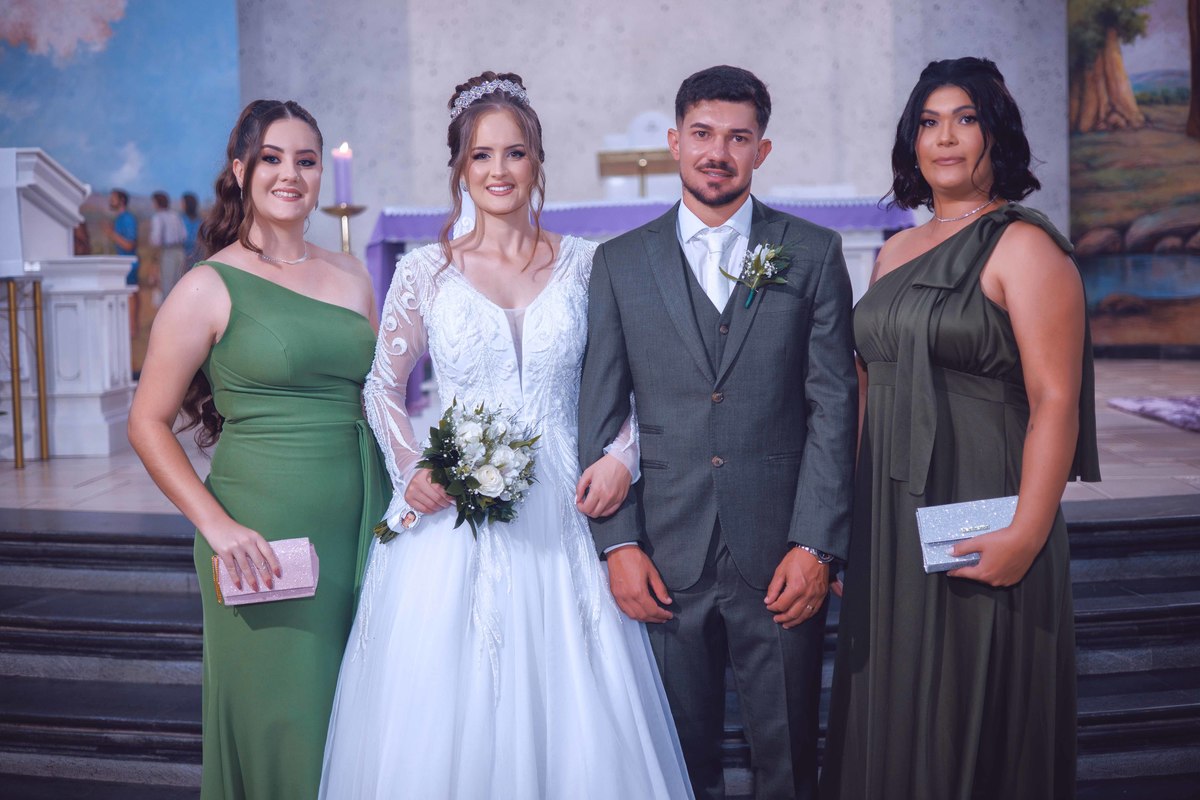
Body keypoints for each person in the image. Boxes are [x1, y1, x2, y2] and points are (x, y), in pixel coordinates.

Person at [319, 71, 693, 799]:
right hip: (455, 510)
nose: (499, 170)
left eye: (515, 153)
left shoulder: (588, 265)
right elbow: (381, 386)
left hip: (566, 501)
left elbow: (642, 384)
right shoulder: (426, 272)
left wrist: (624, 456)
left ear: (538, 162)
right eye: (481, 154)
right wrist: (412, 469)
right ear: (460, 166)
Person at [820, 57, 1100, 800]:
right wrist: (848, 525)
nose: (945, 138)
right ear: (912, 141)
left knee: (968, 710)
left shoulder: (1025, 247)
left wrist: (1026, 534)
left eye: (965, 120)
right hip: (889, 512)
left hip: (983, 507)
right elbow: (868, 386)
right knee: (898, 704)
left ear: (995, 134)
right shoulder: (893, 251)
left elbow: (1056, 401)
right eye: (929, 122)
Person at [578, 65, 858, 800]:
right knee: (675, 766)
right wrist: (618, 544)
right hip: (663, 556)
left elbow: (833, 409)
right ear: (675, 142)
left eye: (738, 138)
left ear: (761, 150)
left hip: (781, 556)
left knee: (789, 762)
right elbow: (601, 415)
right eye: (702, 134)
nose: (718, 153)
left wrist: (816, 545)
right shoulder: (619, 263)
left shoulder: (812, 253)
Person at [127, 99, 387, 800]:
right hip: (262, 535)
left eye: (306, 160)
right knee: (287, 722)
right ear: (240, 170)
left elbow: (379, 397)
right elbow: (147, 422)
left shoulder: (352, 274)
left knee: (357, 722)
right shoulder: (207, 285)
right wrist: (217, 526)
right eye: (272, 158)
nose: (290, 174)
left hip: (364, 520)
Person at [105, 188, 139, 335]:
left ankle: (133, 328)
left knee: (131, 294)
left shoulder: (127, 219)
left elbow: (130, 244)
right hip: (122, 263)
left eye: (113, 198)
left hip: (129, 264)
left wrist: (111, 234)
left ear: (121, 200)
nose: (110, 201)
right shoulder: (119, 219)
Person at [150, 190, 189, 298]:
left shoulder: (158, 217)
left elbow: (156, 240)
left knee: (167, 285)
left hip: (168, 252)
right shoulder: (175, 215)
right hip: (180, 251)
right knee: (180, 284)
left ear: (157, 203)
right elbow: (184, 235)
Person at [181, 191, 202, 263]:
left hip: (197, 255)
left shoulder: (200, 221)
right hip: (183, 255)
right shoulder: (181, 218)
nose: (181, 205)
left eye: (183, 203)